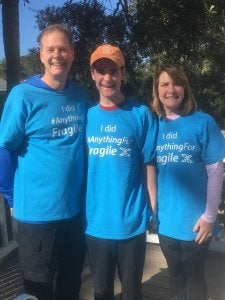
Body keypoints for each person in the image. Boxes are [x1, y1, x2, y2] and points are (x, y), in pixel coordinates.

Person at [0, 24, 89, 300]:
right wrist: (12, 198)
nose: (57, 55)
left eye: (63, 49)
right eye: (50, 49)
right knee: (38, 290)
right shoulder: (22, 95)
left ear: (72, 54)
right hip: (36, 216)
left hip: (74, 213)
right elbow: (3, 149)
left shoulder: (79, 95)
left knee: (70, 286)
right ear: (41, 55)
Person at [85, 44, 158, 300]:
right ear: (92, 74)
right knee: (102, 290)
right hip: (96, 222)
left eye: (113, 71)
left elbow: (148, 165)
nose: (107, 78)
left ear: (123, 73)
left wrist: (153, 209)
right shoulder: (87, 116)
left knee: (131, 291)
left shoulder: (140, 115)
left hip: (132, 221)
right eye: (101, 71)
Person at [152, 64, 225, 300]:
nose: (171, 89)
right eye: (164, 84)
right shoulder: (155, 126)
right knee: (174, 276)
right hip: (166, 223)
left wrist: (210, 217)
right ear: (157, 90)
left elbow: (215, 171)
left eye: (177, 83)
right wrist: (154, 211)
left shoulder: (203, 122)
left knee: (194, 278)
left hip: (196, 224)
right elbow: (151, 169)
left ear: (185, 88)